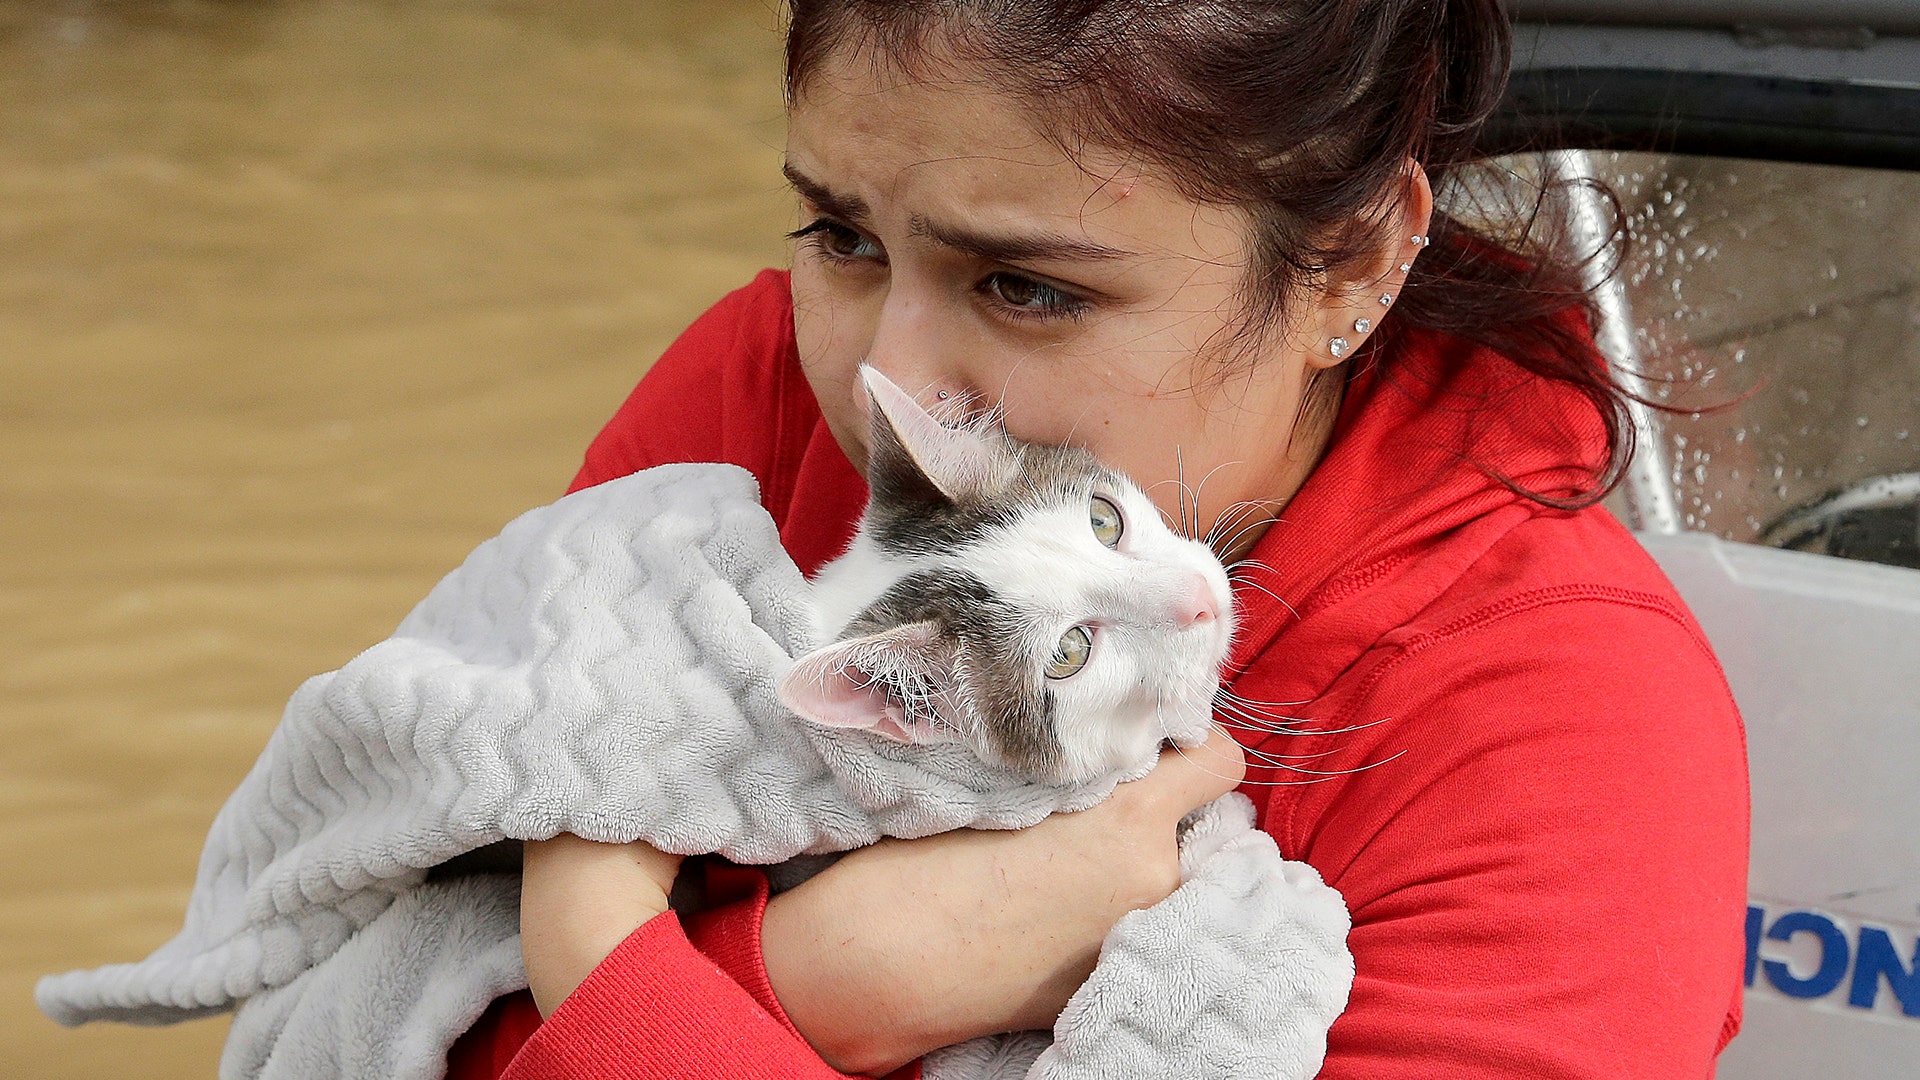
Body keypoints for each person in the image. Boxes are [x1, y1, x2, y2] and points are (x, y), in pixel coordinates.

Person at [447, 2, 1750, 1077]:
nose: (882, 375)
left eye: (1025, 286)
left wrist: (603, 935)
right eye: (842, 236)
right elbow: (362, 997)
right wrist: (835, 980)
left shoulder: (1560, 730)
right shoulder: (753, 408)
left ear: (1351, 266)